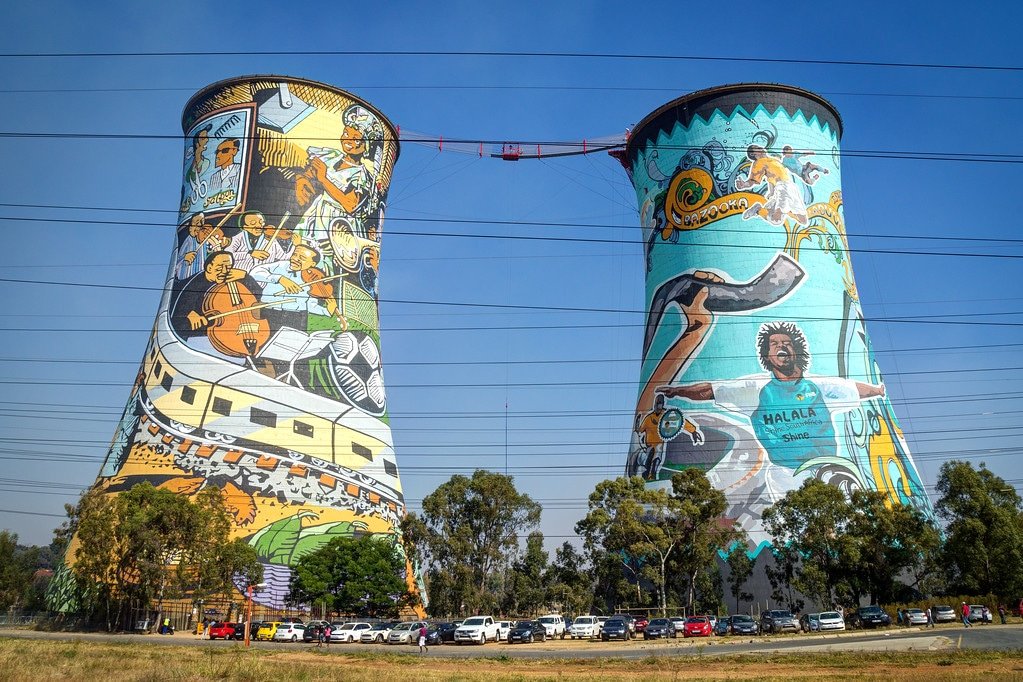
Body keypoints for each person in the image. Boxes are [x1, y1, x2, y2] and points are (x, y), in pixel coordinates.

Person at [659, 321, 886, 476]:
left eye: (786, 343)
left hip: (828, 469)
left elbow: (854, 389)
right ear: (767, 356)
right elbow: (711, 390)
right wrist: (678, 392)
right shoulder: (756, 389)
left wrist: (879, 390)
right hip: (786, 474)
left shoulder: (819, 387)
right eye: (775, 344)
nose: (782, 347)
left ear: (797, 350)